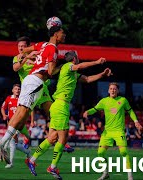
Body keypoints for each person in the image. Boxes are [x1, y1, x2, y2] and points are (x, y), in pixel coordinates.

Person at [25, 50, 111, 178]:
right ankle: (52, 167)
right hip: (61, 106)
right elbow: (80, 66)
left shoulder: (72, 73)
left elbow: (87, 79)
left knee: (52, 138)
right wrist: (97, 62)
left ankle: (32, 160)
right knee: (63, 139)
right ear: (74, 59)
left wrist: (102, 75)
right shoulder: (67, 66)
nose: (79, 59)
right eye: (78, 57)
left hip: (57, 106)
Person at [0, 26, 66, 162]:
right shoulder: (52, 48)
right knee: (22, 113)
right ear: (56, 34)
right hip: (35, 82)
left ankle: (3, 142)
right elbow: (51, 72)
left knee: (22, 116)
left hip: (33, 83)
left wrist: (31, 54)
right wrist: (62, 67)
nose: (65, 35)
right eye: (63, 33)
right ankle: (2, 142)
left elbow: (30, 48)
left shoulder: (44, 45)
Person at [13, 36, 74, 152]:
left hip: (41, 88)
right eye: (19, 46)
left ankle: (61, 141)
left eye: (24, 46)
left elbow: (48, 68)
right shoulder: (17, 58)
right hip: (28, 91)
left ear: (28, 47)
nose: (21, 48)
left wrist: (60, 67)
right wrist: (26, 59)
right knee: (19, 119)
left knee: (53, 113)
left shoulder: (38, 56)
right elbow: (15, 68)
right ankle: (12, 141)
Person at [83, 82, 142, 180]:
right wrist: (87, 112)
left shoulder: (123, 100)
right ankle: (105, 173)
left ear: (118, 91)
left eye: (114, 89)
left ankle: (130, 176)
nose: (113, 90)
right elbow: (95, 109)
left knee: (123, 152)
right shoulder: (104, 101)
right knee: (100, 153)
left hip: (119, 131)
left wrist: (136, 121)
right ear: (108, 90)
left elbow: (130, 111)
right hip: (107, 132)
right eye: (111, 89)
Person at [0, 84, 31, 168]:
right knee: (13, 143)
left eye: (19, 89)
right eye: (16, 89)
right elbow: (2, 108)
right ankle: (27, 152)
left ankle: (11, 163)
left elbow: (29, 110)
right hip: (10, 123)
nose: (17, 90)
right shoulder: (8, 98)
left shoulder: (22, 99)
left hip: (19, 123)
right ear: (12, 90)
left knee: (12, 142)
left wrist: (31, 121)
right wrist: (4, 115)